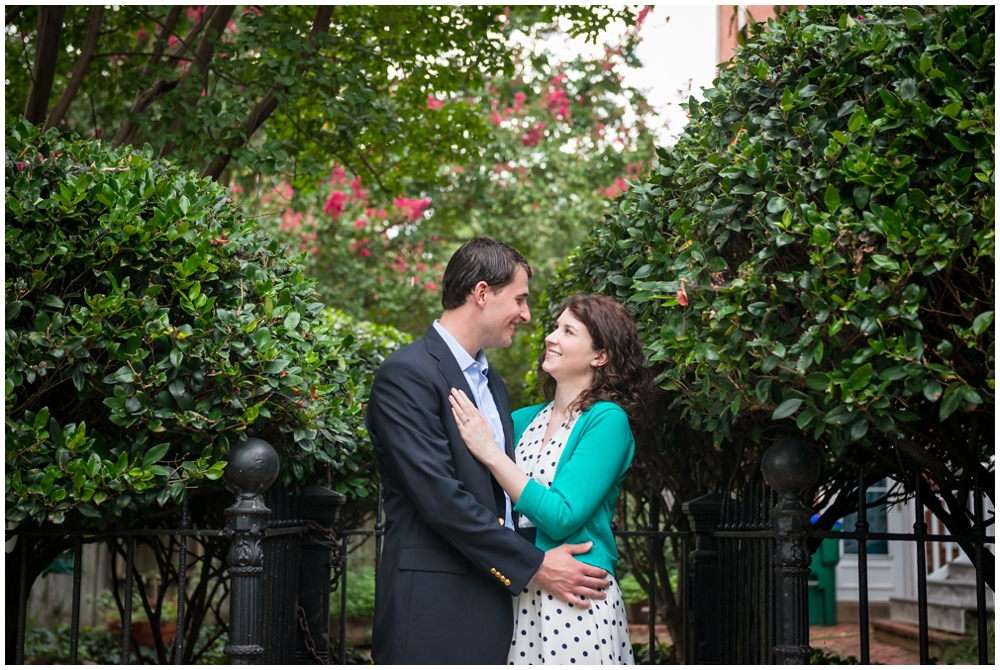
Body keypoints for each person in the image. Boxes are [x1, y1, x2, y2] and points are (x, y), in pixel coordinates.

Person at [365, 238, 611, 665]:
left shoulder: (493, 385)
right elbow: (442, 499)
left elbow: (499, 498)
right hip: (433, 608)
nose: (527, 315)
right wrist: (535, 564)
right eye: (519, 299)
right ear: (481, 293)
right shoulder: (406, 375)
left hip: (498, 605)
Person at [449, 293, 649, 664]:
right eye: (556, 327)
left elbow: (563, 514)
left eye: (568, 331)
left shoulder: (606, 421)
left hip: (576, 600)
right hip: (518, 591)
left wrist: (490, 452)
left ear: (599, 356)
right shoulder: (521, 420)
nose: (551, 337)